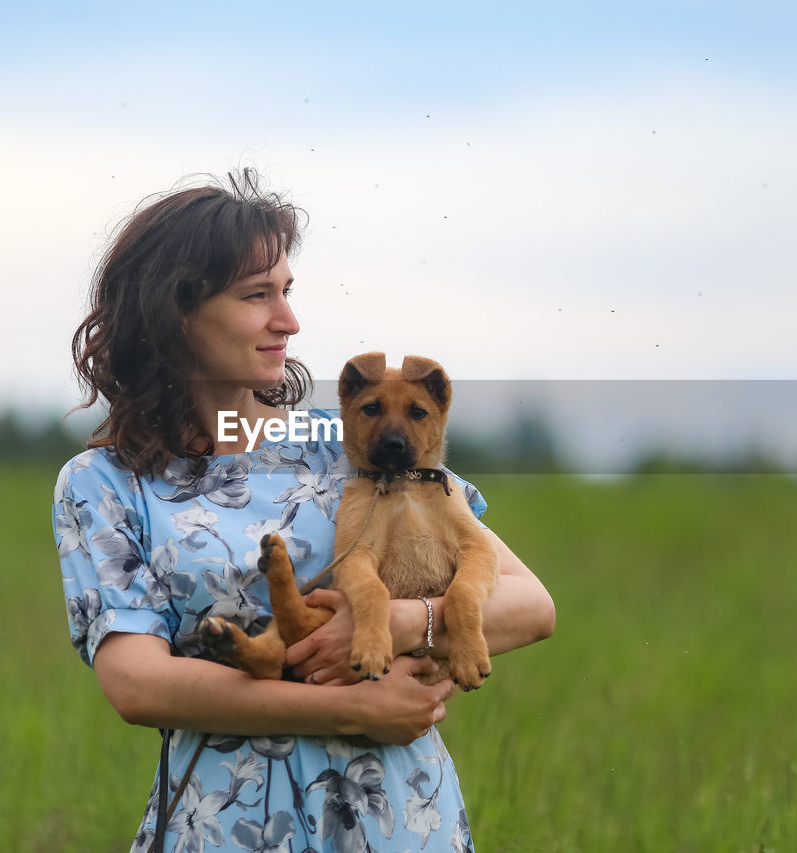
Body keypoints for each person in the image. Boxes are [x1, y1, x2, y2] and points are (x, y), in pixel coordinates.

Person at [53, 170, 555, 853]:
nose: (288, 320)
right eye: (257, 295)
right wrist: (351, 707)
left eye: (287, 291)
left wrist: (409, 621)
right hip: (224, 831)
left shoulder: (349, 444)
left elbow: (530, 604)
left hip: (401, 826)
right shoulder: (105, 483)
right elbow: (138, 683)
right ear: (178, 312)